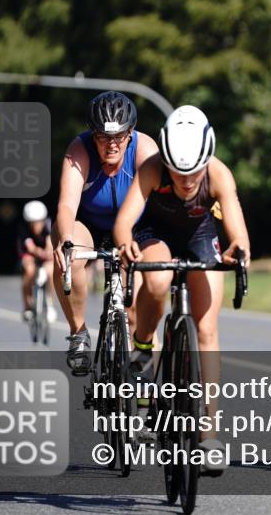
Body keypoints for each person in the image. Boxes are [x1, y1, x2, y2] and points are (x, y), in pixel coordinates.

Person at [114, 105, 251, 476]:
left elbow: (236, 227)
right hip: (156, 235)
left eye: (194, 172)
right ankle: (143, 343)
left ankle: (208, 435)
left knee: (206, 331)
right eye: (178, 171)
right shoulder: (152, 169)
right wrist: (126, 242)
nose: (187, 180)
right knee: (157, 280)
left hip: (201, 236)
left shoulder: (219, 173)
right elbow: (125, 222)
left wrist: (239, 249)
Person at [51, 91, 158, 375]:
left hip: (131, 226)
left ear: (131, 132)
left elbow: (161, 203)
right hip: (89, 224)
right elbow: (66, 204)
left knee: (133, 311)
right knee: (70, 259)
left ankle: (141, 375)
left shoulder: (145, 149)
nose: (112, 144)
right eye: (103, 137)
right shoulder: (79, 150)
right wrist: (66, 240)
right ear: (92, 134)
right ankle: (78, 333)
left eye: (119, 136)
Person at [18, 200, 54, 322]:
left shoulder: (49, 224)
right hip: (29, 253)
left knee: (50, 271)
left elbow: (49, 242)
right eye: (32, 223)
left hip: (45, 251)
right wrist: (42, 253)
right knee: (29, 270)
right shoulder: (23, 228)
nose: (35, 226)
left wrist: (48, 252)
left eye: (38, 222)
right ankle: (27, 307)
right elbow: (31, 248)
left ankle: (50, 304)